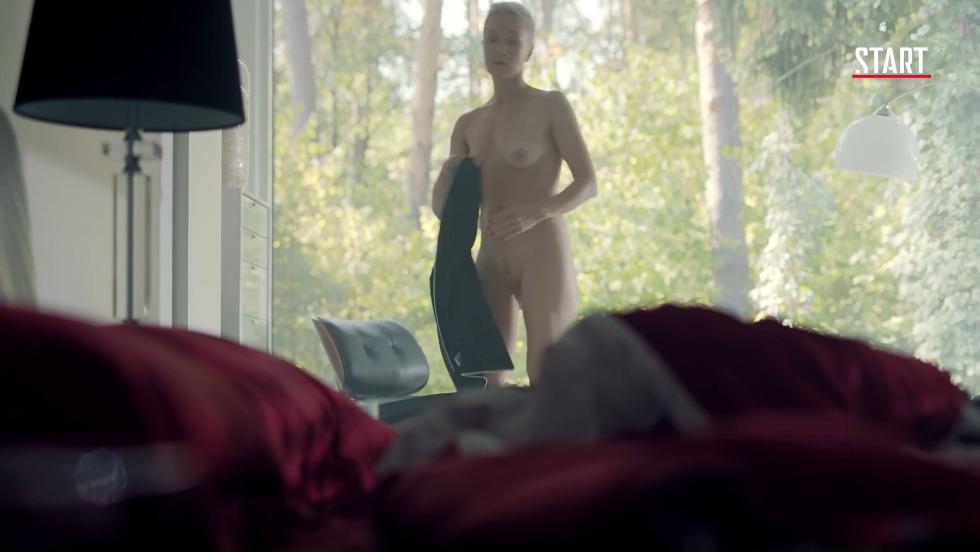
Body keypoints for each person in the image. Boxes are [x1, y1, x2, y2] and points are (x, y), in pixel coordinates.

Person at [431, 1, 597, 388]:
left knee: (545, 374)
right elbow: (445, 211)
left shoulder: (550, 105)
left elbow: (588, 182)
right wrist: (444, 178)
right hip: (491, 257)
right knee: (486, 382)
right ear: (482, 45)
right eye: (492, 39)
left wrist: (539, 211)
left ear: (529, 50)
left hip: (542, 251)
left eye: (512, 40)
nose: (501, 49)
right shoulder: (467, 124)